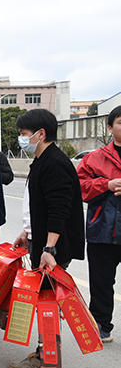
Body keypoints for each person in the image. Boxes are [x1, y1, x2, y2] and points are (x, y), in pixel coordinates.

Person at [7, 109, 85, 368]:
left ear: (41, 133)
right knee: (44, 304)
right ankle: (42, 356)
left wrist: (49, 247)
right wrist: (28, 234)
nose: (21, 139)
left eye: (25, 134)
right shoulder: (41, 160)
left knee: (48, 306)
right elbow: (37, 207)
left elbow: (58, 209)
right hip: (43, 243)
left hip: (54, 249)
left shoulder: (56, 163)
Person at [77, 105, 121, 344]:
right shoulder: (94, 158)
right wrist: (106, 185)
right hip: (102, 229)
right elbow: (80, 188)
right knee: (102, 282)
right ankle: (101, 325)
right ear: (110, 127)